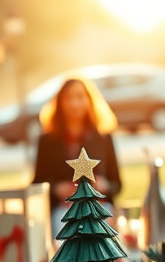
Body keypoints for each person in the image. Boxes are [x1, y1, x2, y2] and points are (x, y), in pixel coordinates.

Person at [31, 74, 122, 229]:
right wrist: (55, 189)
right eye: (68, 98)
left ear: (89, 100)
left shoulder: (103, 137)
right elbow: (37, 182)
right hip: (63, 212)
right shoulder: (47, 141)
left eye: (80, 97)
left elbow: (117, 184)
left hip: (99, 209)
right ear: (60, 102)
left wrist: (105, 186)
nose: (74, 103)